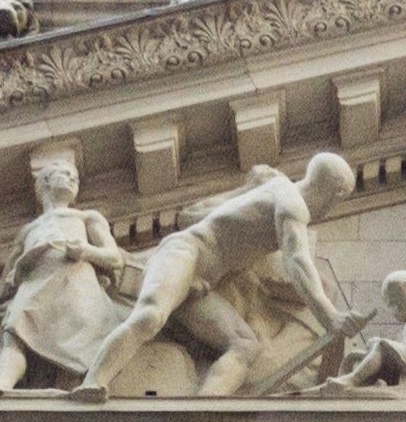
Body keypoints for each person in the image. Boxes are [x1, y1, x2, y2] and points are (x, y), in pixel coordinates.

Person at [77, 150, 363, 401]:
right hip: (185, 254)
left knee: (246, 346)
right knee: (151, 316)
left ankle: (203, 410)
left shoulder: (277, 188)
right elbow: (297, 260)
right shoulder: (292, 204)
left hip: (202, 286)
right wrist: (330, 316)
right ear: (333, 192)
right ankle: (93, 382)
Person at [0, 150, 136, 393]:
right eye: (64, 174)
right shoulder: (28, 231)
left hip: (76, 286)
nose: (72, 180)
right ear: (45, 183)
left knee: (86, 338)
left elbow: (113, 258)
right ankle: (1, 385)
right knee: (15, 334)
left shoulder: (87, 217)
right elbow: (6, 283)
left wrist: (83, 251)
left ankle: (92, 383)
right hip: (35, 287)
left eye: (75, 177)